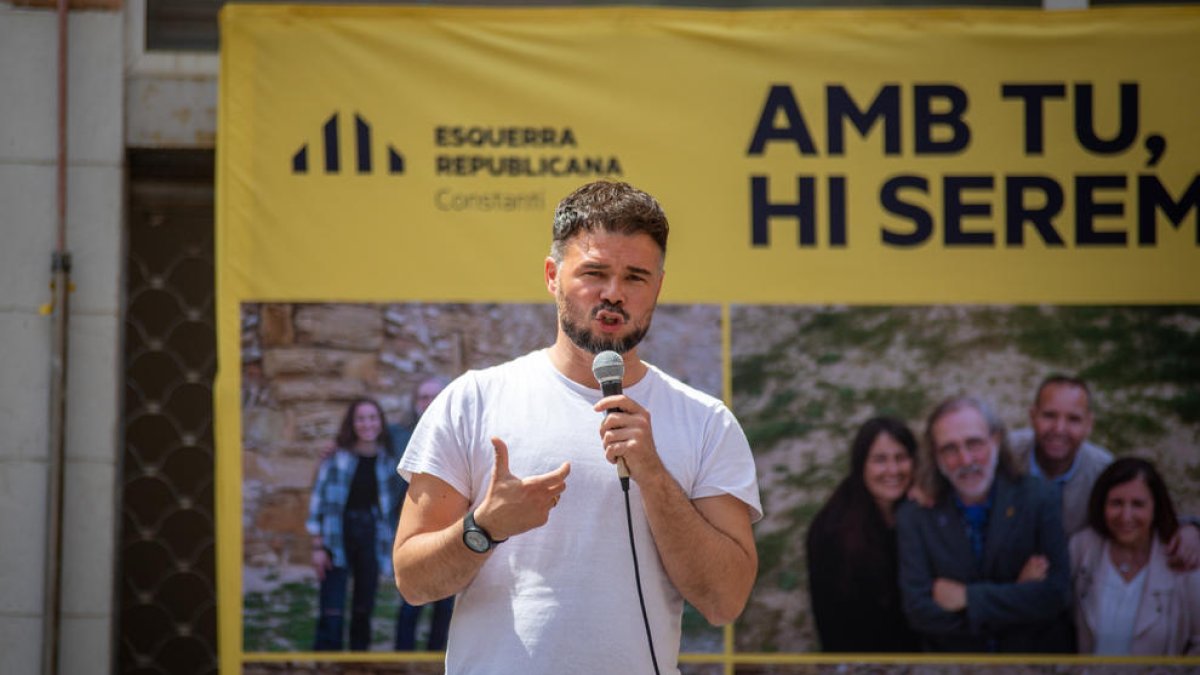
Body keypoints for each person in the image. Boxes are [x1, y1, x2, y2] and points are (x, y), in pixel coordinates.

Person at [391, 180, 762, 674]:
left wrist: (652, 473)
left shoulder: (705, 422)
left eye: (635, 277)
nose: (613, 293)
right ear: (552, 275)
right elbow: (413, 582)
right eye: (594, 272)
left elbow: (725, 600)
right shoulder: (474, 401)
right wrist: (485, 528)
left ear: (658, 286)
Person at [897, 395, 1074, 653]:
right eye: (950, 449)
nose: (966, 460)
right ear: (936, 456)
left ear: (996, 440)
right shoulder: (915, 516)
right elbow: (920, 612)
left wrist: (968, 598)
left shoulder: (1040, 498)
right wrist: (1017, 594)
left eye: (974, 443)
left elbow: (1055, 595)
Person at [1010, 375, 1200, 565]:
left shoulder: (1103, 470)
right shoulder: (1003, 455)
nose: (1059, 429)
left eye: (1073, 419)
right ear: (1033, 416)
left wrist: (1190, 528)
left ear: (1089, 424)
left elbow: (1152, 509)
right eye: (1049, 415)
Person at [805, 417, 921, 652]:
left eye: (901, 458)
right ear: (861, 465)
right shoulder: (834, 534)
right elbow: (838, 624)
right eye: (880, 460)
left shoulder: (916, 502)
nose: (893, 470)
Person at [1069, 457, 1200, 655]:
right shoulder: (1082, 548)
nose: (1126, 516)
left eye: (1138, 504)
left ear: (1155, 507)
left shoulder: (1184, 557)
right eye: (1116, 503)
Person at [307, 397, 401, 650]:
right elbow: (319, 501)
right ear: (352, 423)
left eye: (372, 418)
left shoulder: (387, 461)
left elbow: (388, 510)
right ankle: (326, 663)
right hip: (336, 535)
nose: (367, 424)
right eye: (361, 418)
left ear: (380, 422)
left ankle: (358, 661)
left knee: (363, 607)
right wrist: (317, 547)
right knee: (332, 608)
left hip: (370, 536)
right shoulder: (337, 457)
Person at [391, 375, 455, 651]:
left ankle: (436, 660)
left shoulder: (458, 436)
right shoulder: (396, 435)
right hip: (409, 528)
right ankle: (401, 660)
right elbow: (361, 444)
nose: (427, 403)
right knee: (411, 599)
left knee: (446, 602)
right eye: (422, 397)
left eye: (433, 397)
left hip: (449, 528)